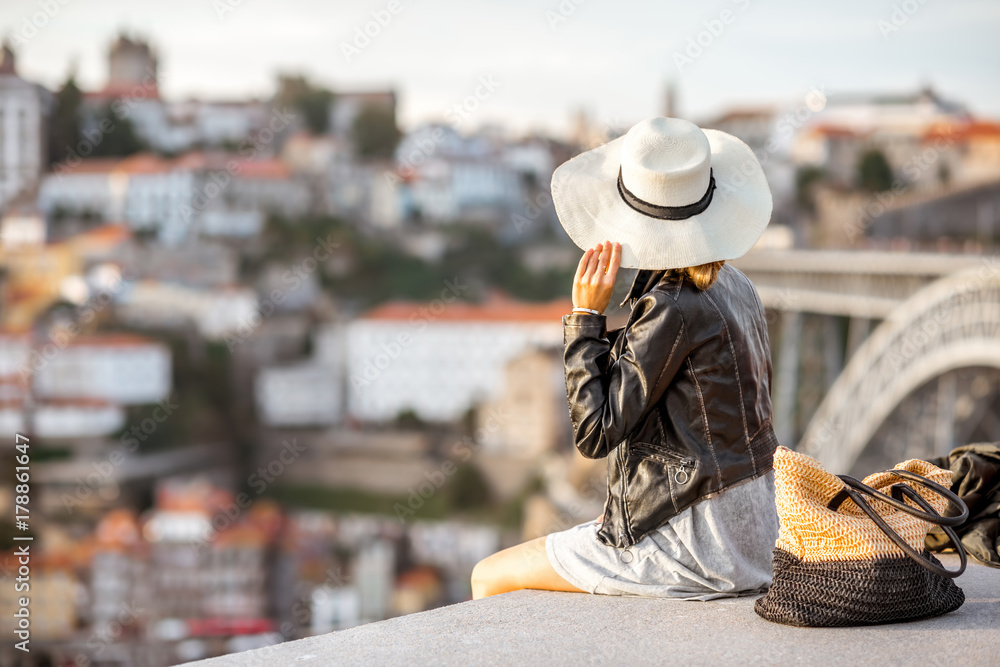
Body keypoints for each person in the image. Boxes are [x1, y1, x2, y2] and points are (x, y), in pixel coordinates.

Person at [471, 116, 780, 600]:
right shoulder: (734, 286)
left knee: (488, 576)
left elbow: (594, 434)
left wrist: (584, 317)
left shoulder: (671, 305)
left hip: (701, 545)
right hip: (757, 528)